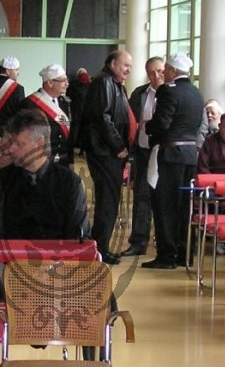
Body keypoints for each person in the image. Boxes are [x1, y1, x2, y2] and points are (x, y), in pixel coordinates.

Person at [0, 111, 89, 367]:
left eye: (18, 143)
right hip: (10, 270)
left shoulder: (69, 183)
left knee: (100, 283)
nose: (11, 149)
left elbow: (79, 238)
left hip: (57, 272)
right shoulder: (0, 181)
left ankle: (95, 365)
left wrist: (48, 268)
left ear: (40, 144)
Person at [142, 54, 204, 270]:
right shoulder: (196, 93)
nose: (164, 73)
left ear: (172, 71)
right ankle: (184, 253)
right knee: (185, 206)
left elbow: (162, 123)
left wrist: (147, 127)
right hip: (190, 155)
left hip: (170, 155)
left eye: (166, 69)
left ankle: (167, 255)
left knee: (165, 206)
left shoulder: (168, 91)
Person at [78, 49, 135, 265]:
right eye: (125, 65)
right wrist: (118, 146)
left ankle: (101, 246)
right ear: (112, 64)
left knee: (110, 201)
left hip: (110, 152)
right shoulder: (104, 83)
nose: (128, 69)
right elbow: (103, 118)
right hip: (104, 151)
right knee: (107, 201)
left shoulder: (116, 84)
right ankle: (99, 248)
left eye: (130, 66)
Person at [124, 56, 165, 257]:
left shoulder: (174, 93)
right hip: (142, 152)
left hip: (164, 154)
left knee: (163, 199)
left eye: (159, 71)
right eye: (151, 72)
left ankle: (164, 244)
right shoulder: (139, 93)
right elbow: (130, 121)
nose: (156, 76)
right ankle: (138, 242)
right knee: (141, 197)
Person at [24, 63, 74, 165]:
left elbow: (68, 135)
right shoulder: (30, 104)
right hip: (40, 162)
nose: (67, 84)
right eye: (63, 80)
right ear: (50, 83)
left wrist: (70, 160)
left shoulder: (64, 102)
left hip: (62, 162)